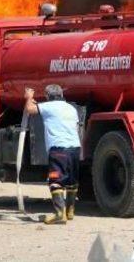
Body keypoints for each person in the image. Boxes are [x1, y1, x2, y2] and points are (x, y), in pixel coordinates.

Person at [24, 84, 81, 224]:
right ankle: (70, 211)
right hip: (74, 148)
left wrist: (29, 97)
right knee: (71, 181)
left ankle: (59, 214)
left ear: (47, 95)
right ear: (61, 94)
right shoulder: (71, 108)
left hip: (58, 148)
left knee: (55, 181)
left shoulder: (48, 107)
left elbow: (30, 109)